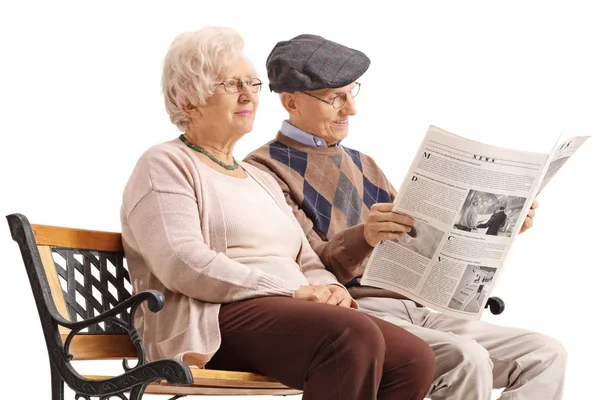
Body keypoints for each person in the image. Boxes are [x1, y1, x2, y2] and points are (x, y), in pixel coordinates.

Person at [244, 33, 566, 400]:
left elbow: (421, 243)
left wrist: (502, 229)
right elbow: (299, 266)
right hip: (352, 313)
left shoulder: (363, 163)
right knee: (468, 358)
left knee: (546, 353)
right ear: (291, 102)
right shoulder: (264, 171)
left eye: (352, 93)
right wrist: (363, 236)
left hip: (415, 307)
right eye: (336, 98)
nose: (351, 110)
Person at [119, 27, 434, 400]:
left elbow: (303, 256)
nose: (248, 94)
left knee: (413, 358)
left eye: (252, 83)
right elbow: (183, 263)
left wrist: (329, 287)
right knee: (349, 336)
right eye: (230, 84)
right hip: (214, 318)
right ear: (189, 102)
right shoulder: (165, 164)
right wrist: (293, 290)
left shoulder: (257, 176)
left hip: (287, 314)